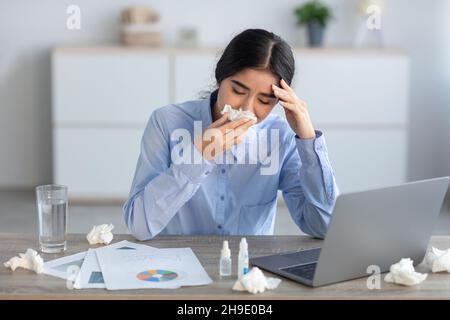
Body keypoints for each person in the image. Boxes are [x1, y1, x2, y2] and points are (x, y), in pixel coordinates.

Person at [123, 29, 338, 240]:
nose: (247, 108)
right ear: (220, 77)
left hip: (248, 269)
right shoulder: (166, 122)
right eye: (238, 91)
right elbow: (140, 225)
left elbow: (324, 227)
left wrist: (308, 140)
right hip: (177, 265)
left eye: (264, 101)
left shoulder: (280, 136)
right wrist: (198, 157)